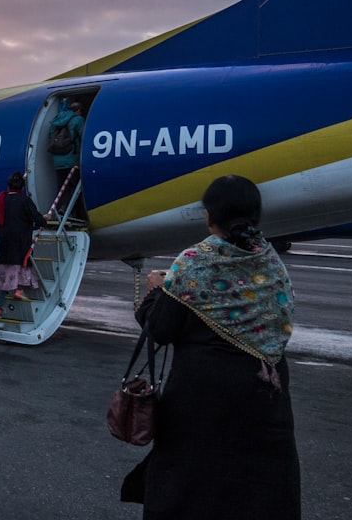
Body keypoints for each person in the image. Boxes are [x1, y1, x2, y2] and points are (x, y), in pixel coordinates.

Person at [120, 175, 299, 519]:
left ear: (209, 216)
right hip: (268, 395)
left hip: (204, 399)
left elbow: (160, 328)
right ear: (256, 216)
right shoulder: (270, 261)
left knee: (192, 487)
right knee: (256, 489)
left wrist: (158, 289)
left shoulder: (196, 262)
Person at [0, 172, 48, 317]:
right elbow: (37, 218)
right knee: (20, 268)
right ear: (22, 187)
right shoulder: (25, 201)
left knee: (3, 276)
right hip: (20, 244)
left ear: (8, 186)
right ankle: (18, 290)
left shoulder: (1, 200)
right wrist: (44, 220)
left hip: (3, 244)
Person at [47, 99, 85, 219]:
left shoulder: (57, 120)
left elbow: (50, 135)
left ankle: (60, 209)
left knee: (62, 187)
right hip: (71, 160)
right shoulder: (78, 120)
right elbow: (83, 137)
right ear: (78, 110)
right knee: (73, 188)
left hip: (58, 161)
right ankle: (68, 211)